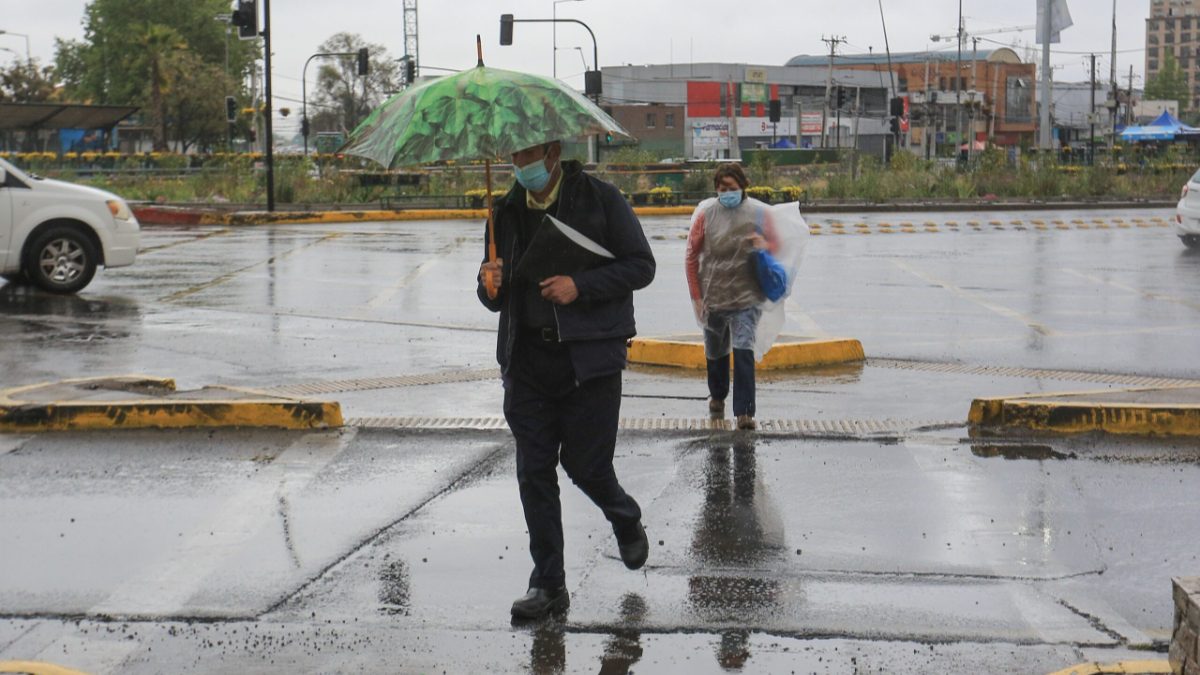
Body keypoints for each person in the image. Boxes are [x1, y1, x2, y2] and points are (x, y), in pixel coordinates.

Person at [477, 140, 656, 620]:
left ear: (553, 151)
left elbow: (642, 266)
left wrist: (581, 286)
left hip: (588, 360)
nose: (520, 165)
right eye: (513, 157)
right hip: (526, 362)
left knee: (586, 466)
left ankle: (624, 517)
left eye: (526, 154)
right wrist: (487, 284)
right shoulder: (504, 210)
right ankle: (549, 584)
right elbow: (495, 294)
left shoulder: (601, 198)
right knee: (534, 472)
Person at [685, 163, 780, 431]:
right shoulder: (706, 215)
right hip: (713, 295)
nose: (727, 193)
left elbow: (777, 244)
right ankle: (717, 394)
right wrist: (696, 295)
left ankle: (745, 412)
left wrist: (765, 245)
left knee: (743, 349)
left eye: (732, 188)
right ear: (716, 189)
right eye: (722, 188)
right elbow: (692, 255)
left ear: (743, 187)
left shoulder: (758, 213)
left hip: (746, 297)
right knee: (715, 351)